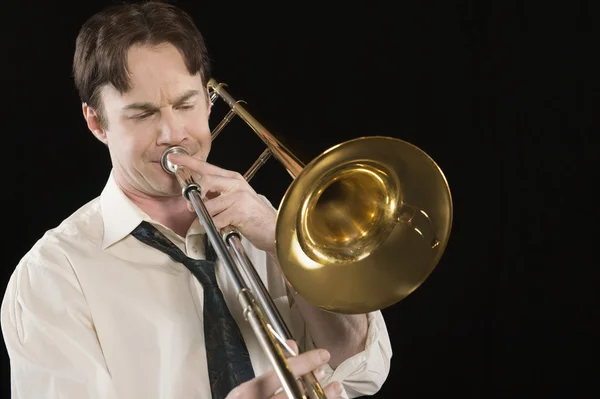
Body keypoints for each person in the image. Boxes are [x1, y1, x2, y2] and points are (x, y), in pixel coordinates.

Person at [1, 1, 393, 398]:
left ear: (209, 101)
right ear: (97, 122)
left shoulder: (266, 223)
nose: (172, 132)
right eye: (142, 114)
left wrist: (284, 246)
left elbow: (358, 368)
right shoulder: (54, 275)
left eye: (186, 104)